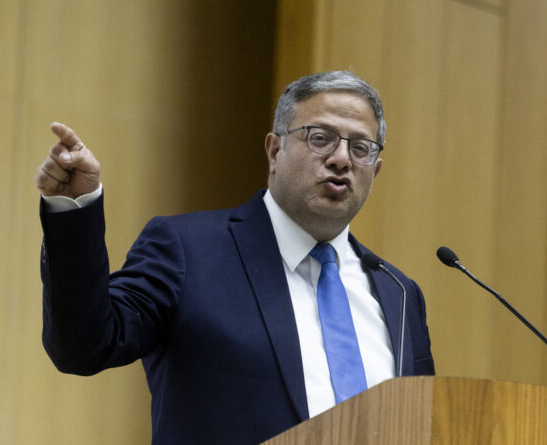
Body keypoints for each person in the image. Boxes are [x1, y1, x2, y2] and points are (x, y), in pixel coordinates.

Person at [35, 71, 434, 445]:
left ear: (375, 171)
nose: (341, 158)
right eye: (320, 138)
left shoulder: (399, 293)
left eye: (360, 148)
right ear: (274, 151)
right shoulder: (189, 250)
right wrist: (74, 212)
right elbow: (83, 346)